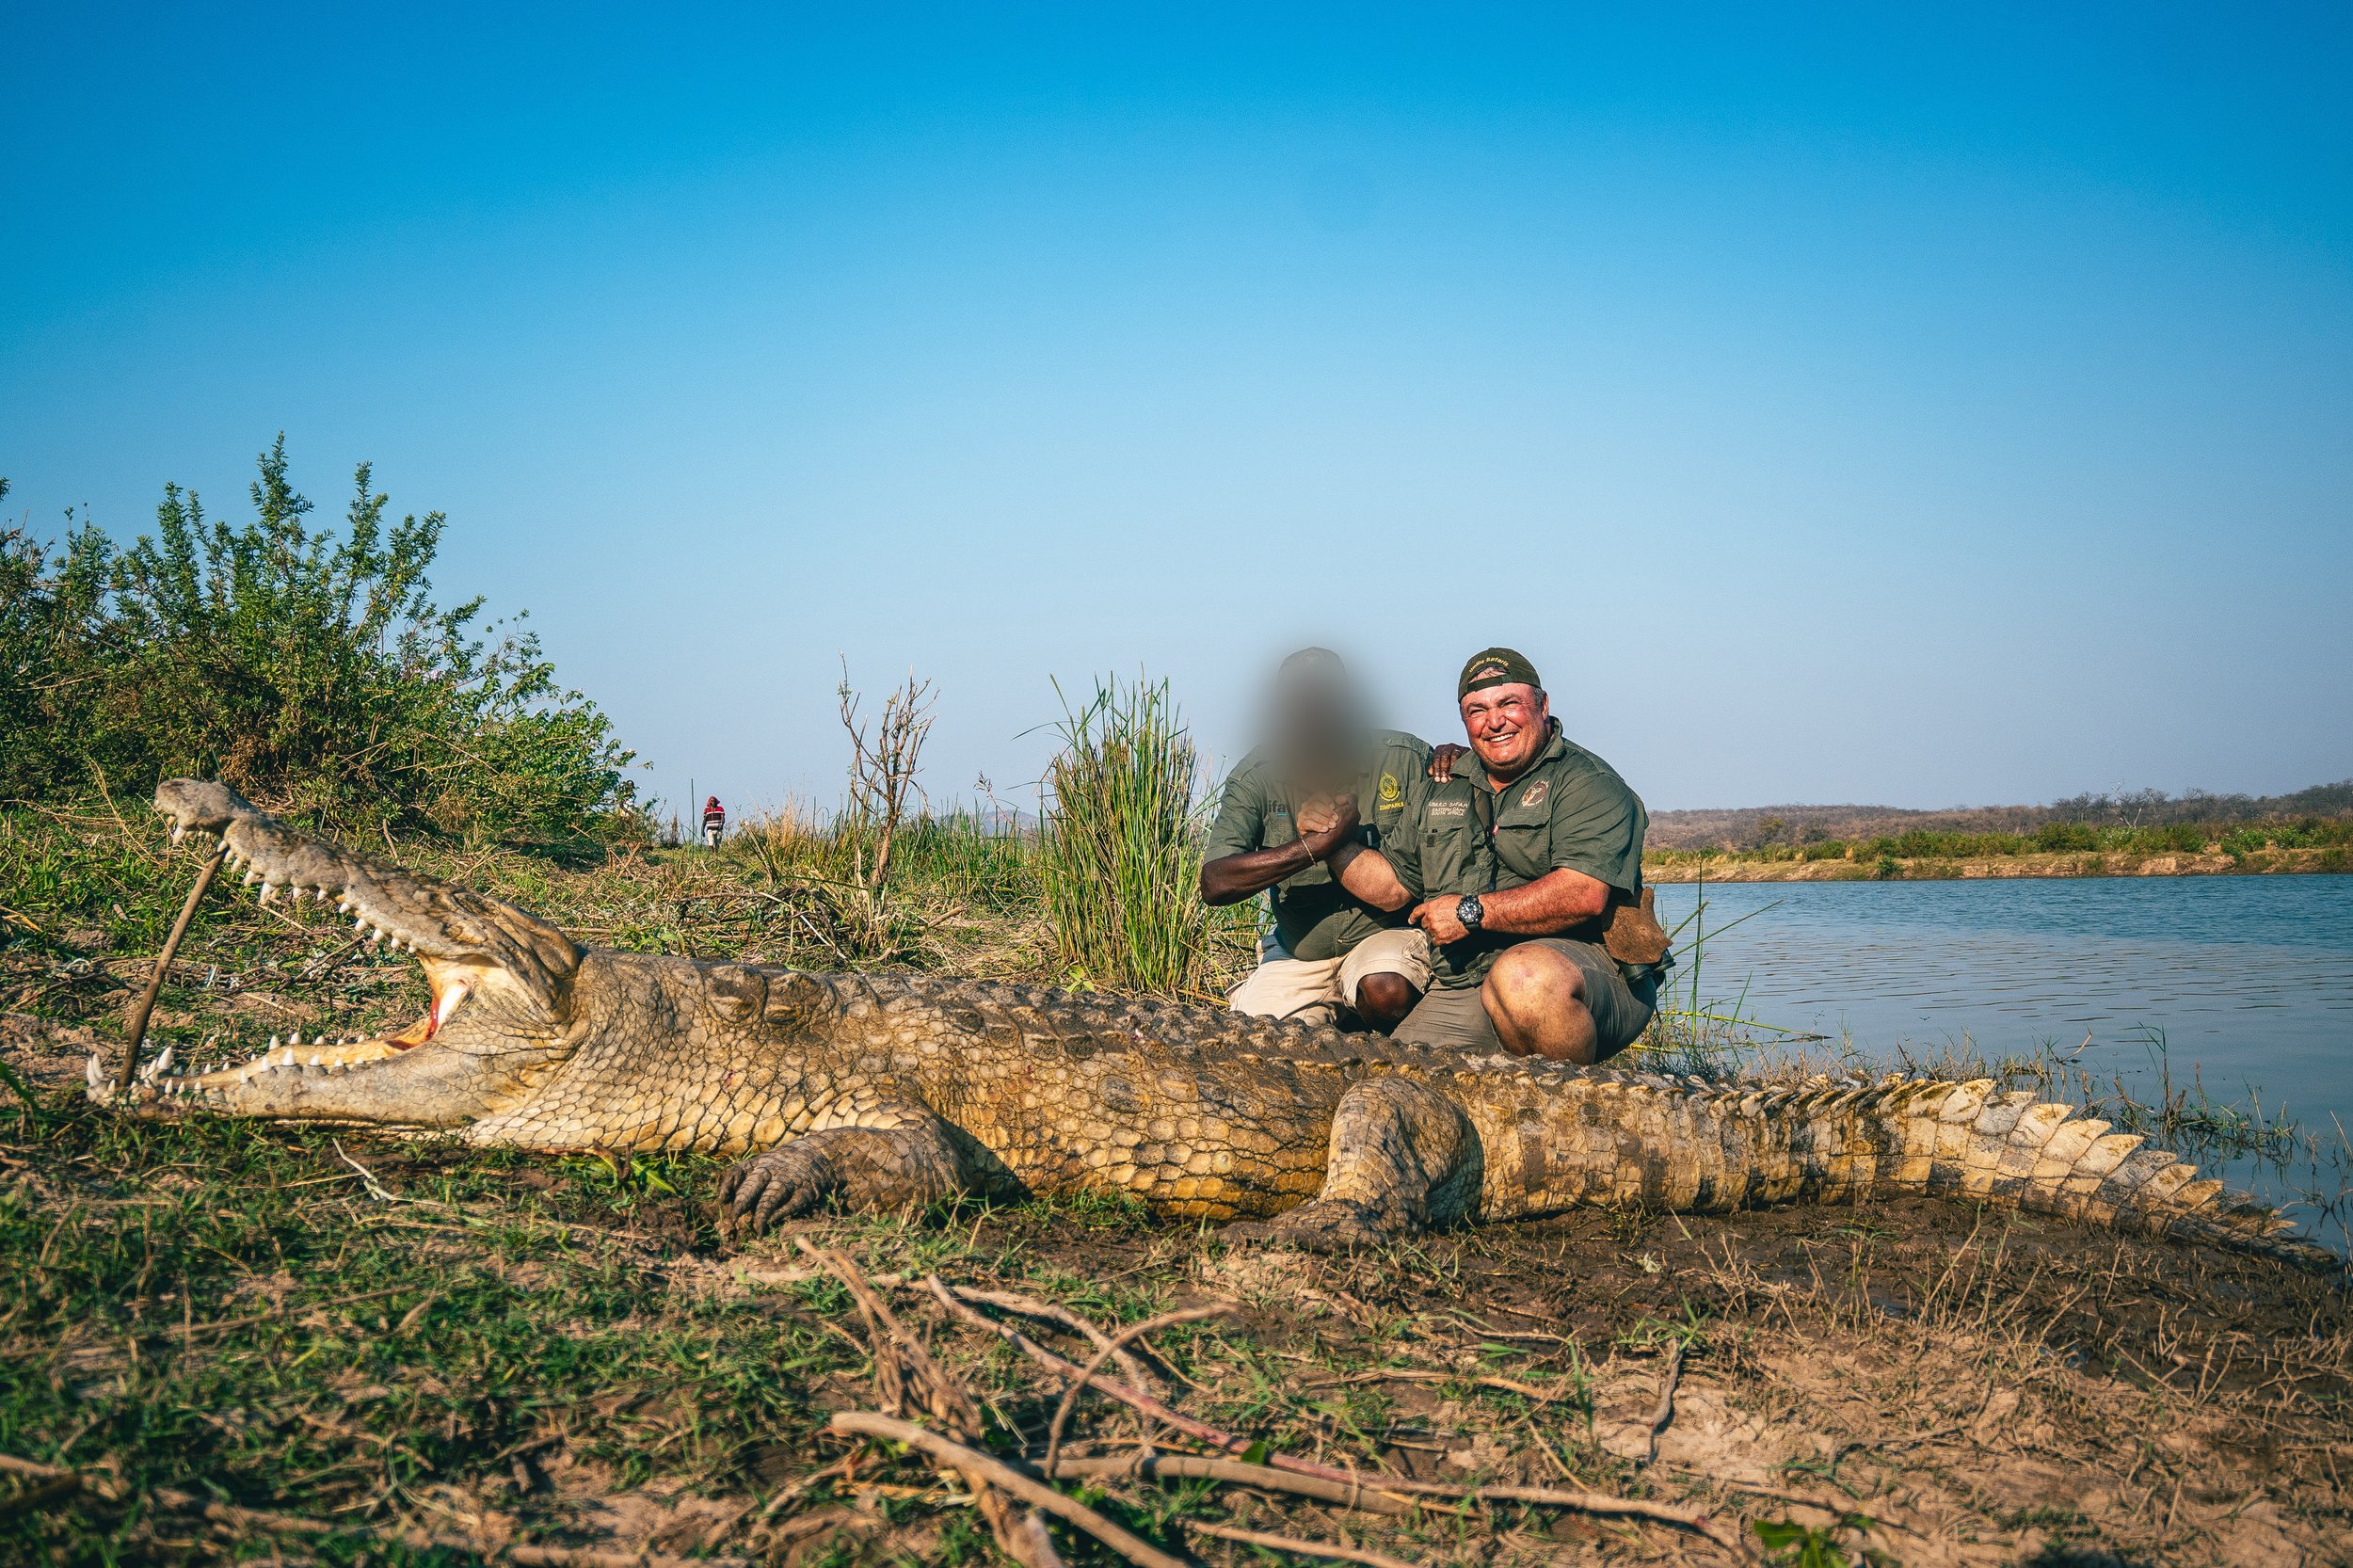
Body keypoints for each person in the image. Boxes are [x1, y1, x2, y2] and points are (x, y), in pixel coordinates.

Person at [1328, 647, 1667, 1063]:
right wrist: (1330, 841)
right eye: (1477, 710)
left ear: (1542, 705)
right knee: (1387, 1073)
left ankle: (1573, 1113)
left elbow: (1584, 892)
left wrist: (1470, 913)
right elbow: (1394, 885)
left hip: (1585, 972)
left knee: (1522, 979)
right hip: (1465, 982)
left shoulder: (1588, 783)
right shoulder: (1442, 784)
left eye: (1509, 703)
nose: (1494, 721)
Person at [1200, 648, 1433, 1032]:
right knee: (1255, 1041)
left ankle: (1374, 1032)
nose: (1310, 717)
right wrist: (1312, 847)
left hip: (1382, 937)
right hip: (1299, 951)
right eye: (1298, 705)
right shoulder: (1256, 776)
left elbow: (1468, 787)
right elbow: (1215, 882)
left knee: (1385, 989)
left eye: (1321, 703)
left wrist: (1453, 757)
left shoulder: (1403, 759)